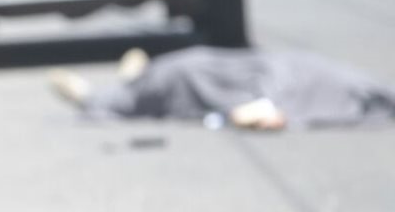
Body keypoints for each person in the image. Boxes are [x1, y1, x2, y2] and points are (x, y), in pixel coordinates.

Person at [49, 46, 395, 130]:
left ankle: (129, 77)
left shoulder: (336, 84)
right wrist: (263, 111)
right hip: (192, 74)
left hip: (202, 69)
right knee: (138, 96)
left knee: (153, 87)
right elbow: (260, 111)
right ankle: (97, 91)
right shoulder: (335, 88)